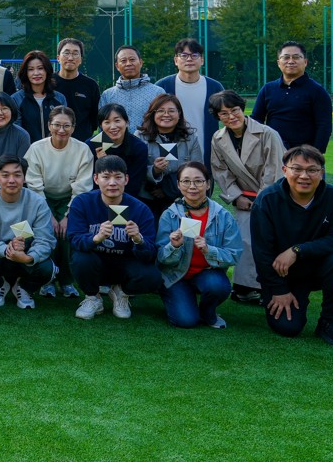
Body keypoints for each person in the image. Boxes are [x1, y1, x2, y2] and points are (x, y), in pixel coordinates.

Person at [251, 146, 333, 346]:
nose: (304, 176)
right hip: (282, 274)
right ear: (285, 171)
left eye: (312, 170)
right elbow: (262, 253)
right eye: (297, 169)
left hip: (318, 267)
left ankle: (329, 321)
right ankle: (290, 297)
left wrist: (297, 250)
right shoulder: (267, 200)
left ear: (322, 172)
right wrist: (278, 289)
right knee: (288, 328)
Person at [209, 90, 286, 304]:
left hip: (273, 197)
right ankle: (245, 288)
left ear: (242, 109)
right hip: (244, 199)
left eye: (234, 110)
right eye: (223, 113)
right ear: (217, 117)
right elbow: (220, 171)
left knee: (272, 241)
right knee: (244, 240)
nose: (231, 116)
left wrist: (263, 199)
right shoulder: (218, 138)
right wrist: (236, 197)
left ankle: (272, 286)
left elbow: (275, 170)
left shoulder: (267, 133)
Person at [67, 155, 162, 321]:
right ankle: (92, 297)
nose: (112, 183)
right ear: (96, 179)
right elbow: (74, 239)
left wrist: (138, 239)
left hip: (125, 265)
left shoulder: (140, 209)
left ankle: (121, 293)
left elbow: (151, 253)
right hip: (95, 262)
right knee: (80, 258)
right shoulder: (82, 202)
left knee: (153, 276)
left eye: (118, 177)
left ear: (126, 179)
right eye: (106, 177)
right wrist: (96, 238)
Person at [155, 162, 243, 330]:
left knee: (218, 286)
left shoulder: (223, 216)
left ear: (208, 184)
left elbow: (234, 254)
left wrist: (209, 250)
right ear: (179, 185)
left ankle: (207, 311)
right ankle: (180, 299)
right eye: (186, 181)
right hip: (176, 276)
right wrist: (173, 247)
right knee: (186, 321)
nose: (192, 186)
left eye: (198, 181)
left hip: (206, 274)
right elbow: (160, 259)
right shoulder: (170, 214)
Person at [0, 155, 55, 310]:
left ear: (24, 178)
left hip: (25, 253)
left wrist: (29, 257)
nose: (11, 180)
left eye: (17, 175)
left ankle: (23, 287)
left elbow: (45, 240)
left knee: (46, 269)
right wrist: (8, 249)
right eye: (5, 175)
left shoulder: (38, 202)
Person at [25, 106, 92, 298]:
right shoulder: (36, 148)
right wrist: (50, 217)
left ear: (73, 127)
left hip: (69, 198)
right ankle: (47, 281)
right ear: (49, 126)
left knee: (66, 234)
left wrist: (67, 215)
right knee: (47, 233)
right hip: (42, 197)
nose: (61, 130)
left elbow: (82, 187)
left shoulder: (82, 150)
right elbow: (35, 186)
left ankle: (67, 281)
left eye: (66, 126)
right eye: (56, 125)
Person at [251, 41, 333, 152]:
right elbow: (256, 120)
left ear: (305, 62)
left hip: (304, 155)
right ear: (278, 63)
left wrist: (315, 154)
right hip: (272, 152)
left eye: (296, 57)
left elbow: (324, 126)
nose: (290, 61)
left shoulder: (317, 91)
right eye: (286, 57)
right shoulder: (268, 89)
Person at [136, 94, 203, 219]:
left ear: (179, 114)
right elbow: (136, 169)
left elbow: (198, 168)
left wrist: (168, 190)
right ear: (153, 114)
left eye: (171, 111)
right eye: (161, 111)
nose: (166, 114)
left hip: (182, 197)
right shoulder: (140, 136)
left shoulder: (190, 137)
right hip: (148, 198)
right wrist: (154, 170)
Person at [156, 38, 225, 160]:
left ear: (202, 60)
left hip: (207, 153)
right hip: (171, 153)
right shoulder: (162, 87)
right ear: (176, 60)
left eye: (194, 55)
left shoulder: (215, 87)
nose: (189, 59)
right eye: (184, 55)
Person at [87, 103, 150, 200]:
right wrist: (100, 164)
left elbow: (134, 185)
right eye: (107, 122)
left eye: (117, 121)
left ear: (127, 122)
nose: (113, 127)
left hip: (126, 198)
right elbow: (87, 182)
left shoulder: (138, 148)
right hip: (95, 198)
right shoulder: (91, 145)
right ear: (101, 125)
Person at [10, 50, 68, 144]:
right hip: (28, 153)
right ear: (25, 72)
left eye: (40, 68)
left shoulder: (59, 98)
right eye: (31, 69)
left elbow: (64, 127)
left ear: (47, 70)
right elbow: (17, 131)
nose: (36, 73)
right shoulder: (16, 99)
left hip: (54, 151)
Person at [98, 46, 165, 128]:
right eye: (123, 61)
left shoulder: (157, 92)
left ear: (140, 63)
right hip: (115, 141)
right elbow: (102, 125)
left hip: (149, 140)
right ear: (117, 66)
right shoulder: (107, 95)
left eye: (132, 59)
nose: (128, 64)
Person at [54, 38, 101, 140]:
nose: (70, 58)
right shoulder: (48, 83)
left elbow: (95, 119)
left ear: (81, 59)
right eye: (66, 53)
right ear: (58, 58)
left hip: (82, 144)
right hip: (52, 143)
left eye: (75, 54)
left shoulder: (91, 85)